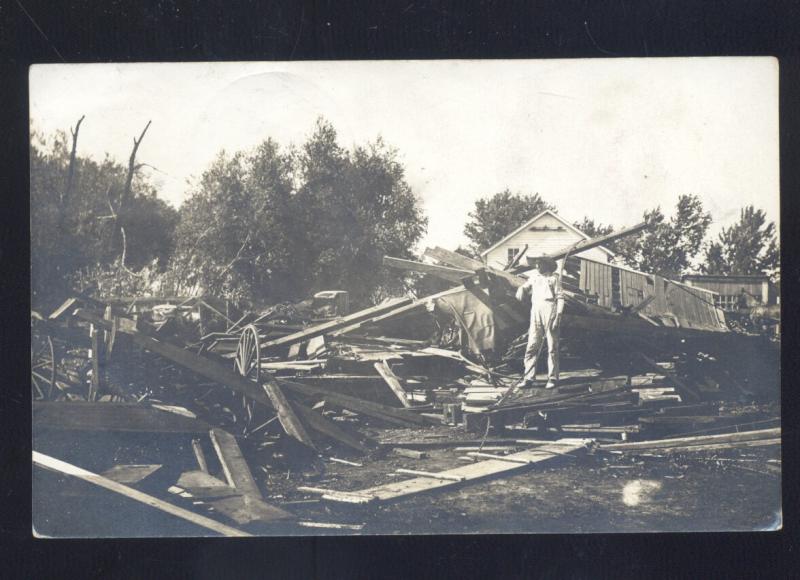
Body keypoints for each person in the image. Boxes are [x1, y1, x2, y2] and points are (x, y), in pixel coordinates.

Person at [514, 256, 564, 389]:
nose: (537, 266)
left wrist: (557, 316)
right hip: (535, 310)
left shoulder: (554, 278)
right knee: (532, 345)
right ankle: (528, 378)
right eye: (536, 264)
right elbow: (525, 287)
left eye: (539, 263)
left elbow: (560, 297)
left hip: (549, 309)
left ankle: (552, 378)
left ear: (546, 265)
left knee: (552, 347)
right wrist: (521, 289)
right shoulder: (534, 277)